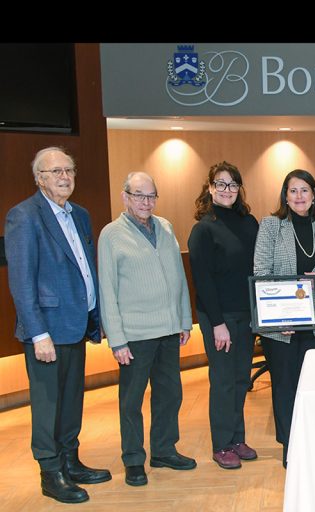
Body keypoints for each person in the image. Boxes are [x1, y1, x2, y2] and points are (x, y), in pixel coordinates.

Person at [4, 147, 111, 503]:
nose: (65, 177)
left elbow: (85, 267)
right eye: (55, 171)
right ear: (39, 179)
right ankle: (50, 473)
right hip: (47, 331)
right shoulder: (24, 216)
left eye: (69, 170)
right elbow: (21, 282)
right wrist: (38, 333)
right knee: (48, 405)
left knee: (71, 401)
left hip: (76, 325)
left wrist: (95, 316)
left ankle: (70, 461)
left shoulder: (80, 214)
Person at [98, 172, 196, 487]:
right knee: (131, 401)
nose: (146, 202)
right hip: (134, 336)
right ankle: (133, 460)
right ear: (125, 197)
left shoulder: (165, 227)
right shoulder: (111, 235)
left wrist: (184, 319)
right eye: (139, 195)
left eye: (151, 195)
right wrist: (117, 340)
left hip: (168, 330)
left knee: (170, 394)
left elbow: (179, 277)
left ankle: (164, 450)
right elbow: (107, 290)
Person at [253, 169, 315, 467]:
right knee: (284, 385)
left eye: (305, 190)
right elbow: (262, 273)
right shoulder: (271, 226)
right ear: (285, 196)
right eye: (293, 191)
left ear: (314, 194)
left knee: (311, 383)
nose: (299, 196)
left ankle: (311, 442)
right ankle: (290, 446)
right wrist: (279, 318)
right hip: (280, 325)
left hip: (314, 321)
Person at [188, 162, 260, 470]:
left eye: (232, 184)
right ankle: (221, 444)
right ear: (210, 188)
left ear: (239, 188)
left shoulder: (249, 222)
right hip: (219, 318)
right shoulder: (203, 229)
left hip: (247, 315)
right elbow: (202, 281)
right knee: (223, 381)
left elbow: (258, 269)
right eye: (220, 183)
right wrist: (218, 324)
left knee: (241, 378)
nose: (227, 190)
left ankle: (237, 438)